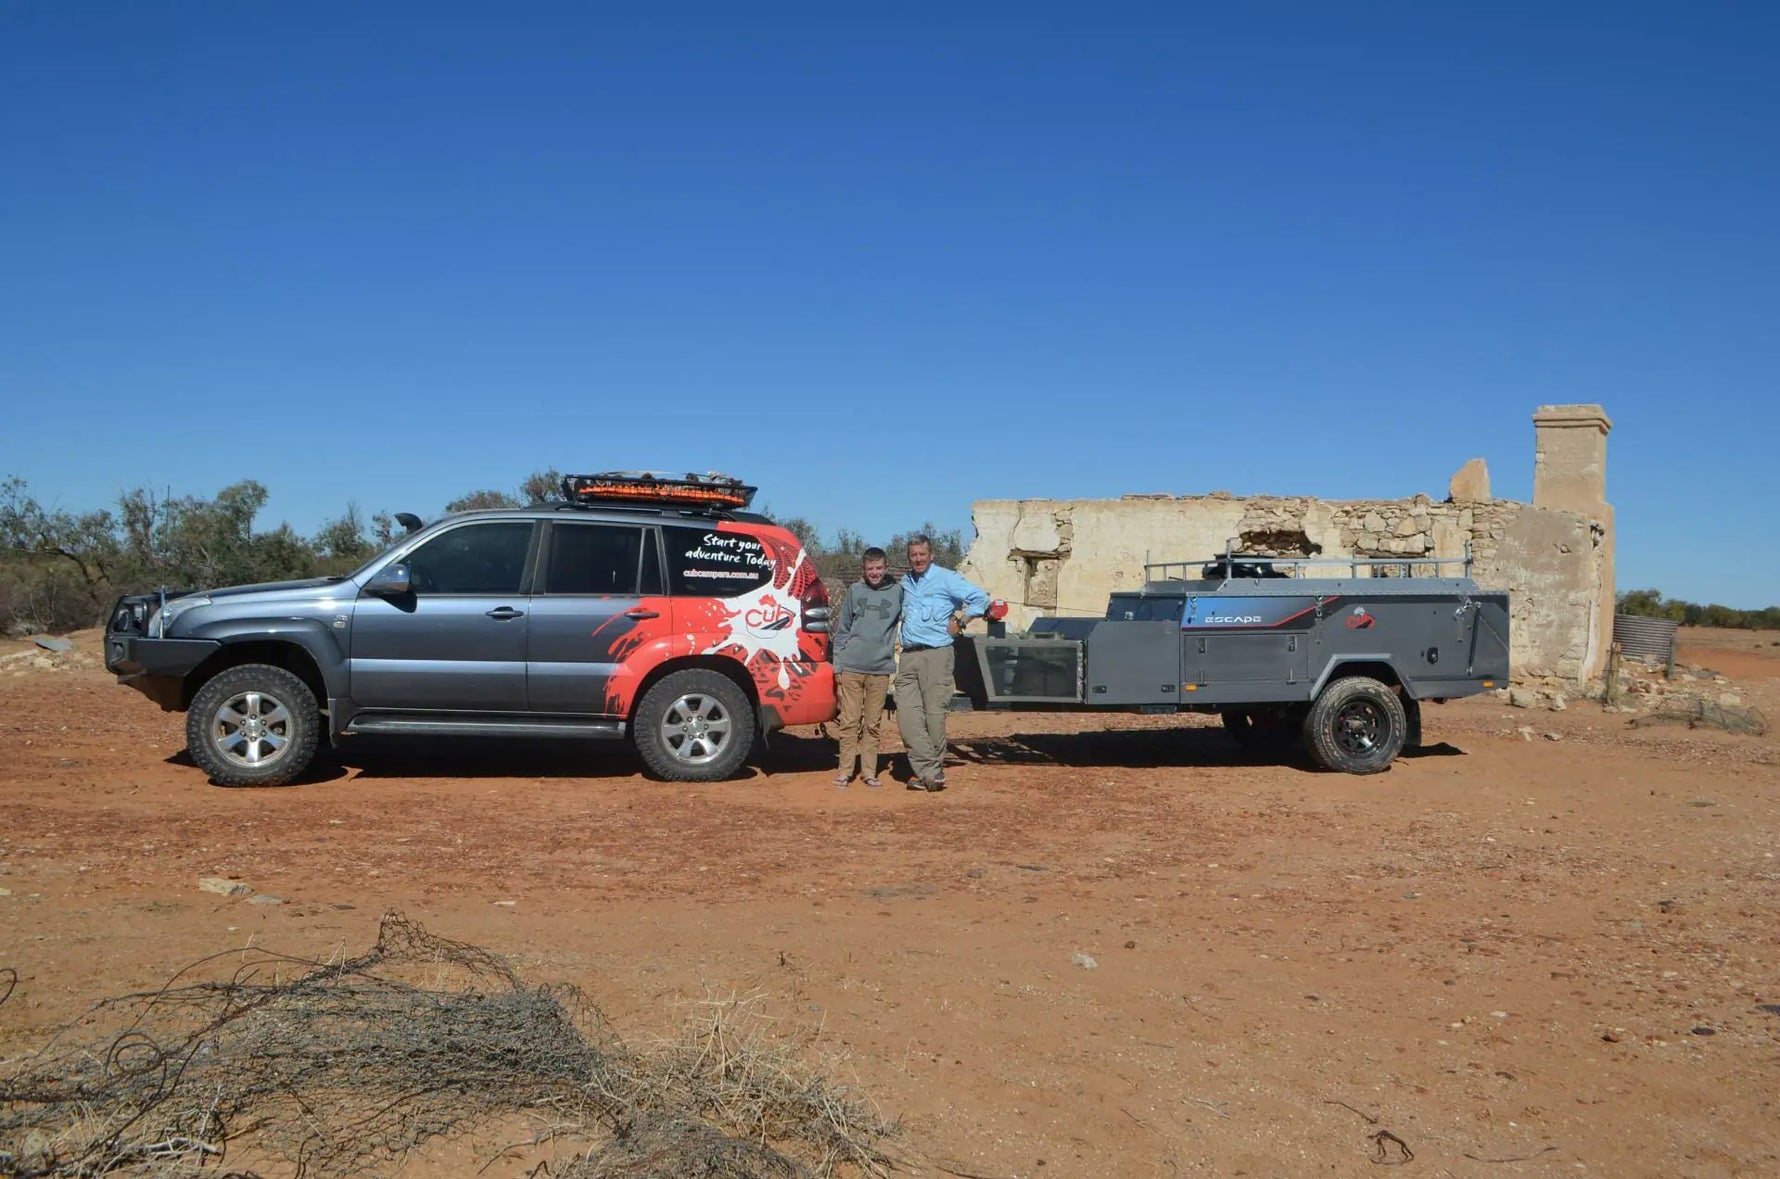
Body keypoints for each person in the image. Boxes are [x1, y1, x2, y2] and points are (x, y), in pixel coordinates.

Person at [894, 534, 989, 792]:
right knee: (907, 716)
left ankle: (930, 774)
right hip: (909, 655)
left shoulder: (946, 578)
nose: (918, 559)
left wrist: (961, 622)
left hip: (937, 655)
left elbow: (981, 598)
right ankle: (930, 771)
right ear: (908, 557)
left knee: (934, 716)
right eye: (913, 555)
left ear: (931, 555)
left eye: (922, 554)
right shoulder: (905, 583)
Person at [830, 547, 902, 788]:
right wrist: (838, 665)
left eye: (879, 568)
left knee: (873, 724)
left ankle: (869, 771)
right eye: (870, 568)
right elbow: (842, 631)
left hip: (880, 669)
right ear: (864, 569)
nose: (875, 573)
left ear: (886, 568)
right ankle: (845, 771)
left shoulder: (897, 592)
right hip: (851, 666)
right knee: (850, 721)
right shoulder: (855, 591)